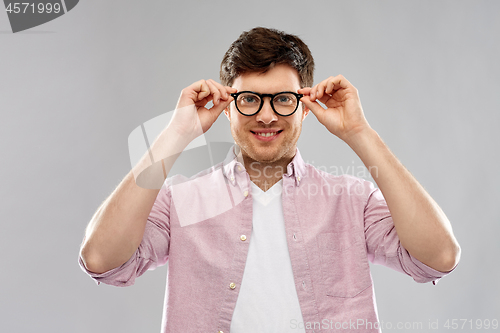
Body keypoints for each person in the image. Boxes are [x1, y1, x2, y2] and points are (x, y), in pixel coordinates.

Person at [79, 27, 461, 333]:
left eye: (282, 99)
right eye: (249, 99)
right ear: (228, 107)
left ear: (306, 107)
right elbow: (101, 260)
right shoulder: (182, 200)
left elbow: (439, 257)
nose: (265, 116)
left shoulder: (351, 200)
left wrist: (359, 131)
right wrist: (176, 134)